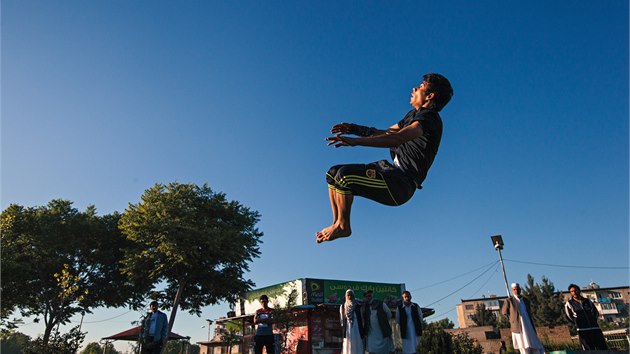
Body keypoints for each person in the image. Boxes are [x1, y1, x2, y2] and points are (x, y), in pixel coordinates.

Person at [316, 73, 453, 243]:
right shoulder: (413, 115)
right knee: (333, 173)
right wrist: (355, 128)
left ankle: (343, 226)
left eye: (420, 87)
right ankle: (337, 223)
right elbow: (387, 132)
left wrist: (355, 142)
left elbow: (397, 138)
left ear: (430, 96)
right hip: (390, 173)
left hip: (401, 184)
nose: (414, 89)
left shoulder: (429, 118)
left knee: (345, 176)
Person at [501, 283, 545, 354]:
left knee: (534, 345)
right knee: (523, 346)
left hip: (528, 325)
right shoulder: (509, 301)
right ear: (512, 290)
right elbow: (504, 312)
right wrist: (512, 320)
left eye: (518, 289)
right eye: (514, 289)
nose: (516, 291)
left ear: (520, 289)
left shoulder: (525, 300)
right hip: (518, 327)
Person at [564, 284, 608, 350]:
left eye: (575, 290)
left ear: (579, 290)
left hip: (595, 328)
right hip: (583, 331)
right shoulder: (569, 303)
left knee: (602, 349)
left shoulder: (587, 301)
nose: (574, 292)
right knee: (588, 350)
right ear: (570, 293)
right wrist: (577, 322)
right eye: (572, 291)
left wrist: (593, 320)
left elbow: (595, 312)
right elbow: (568, 316)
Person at [361, 290, 394, 354]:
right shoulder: (365, 306)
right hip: (371, 332)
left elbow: (389, 314)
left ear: (372, 295)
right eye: (366, 296)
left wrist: (383, 322)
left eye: (369, 295)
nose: (368, 297)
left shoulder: (381, 303)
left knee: (384, 350)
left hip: (382, 331)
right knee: (372, 350)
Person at [340, 289, 365, 354]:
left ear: (354, 295)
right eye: (348, 295)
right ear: (346, 296)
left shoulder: (359, 305)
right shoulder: (343, 306)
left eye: (351, 295)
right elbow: (342, 320)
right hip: (347, 329)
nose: (350, 297)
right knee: (348, 344)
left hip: (357, 328)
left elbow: (363, 317)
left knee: (358, 343)